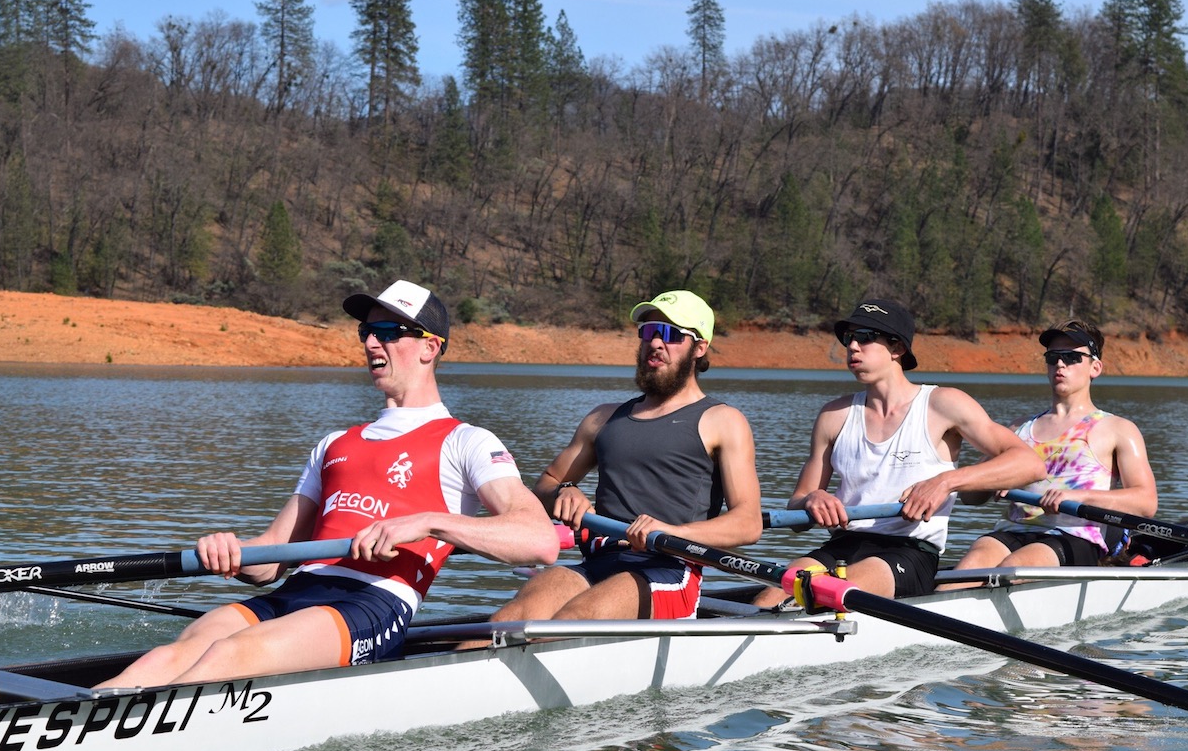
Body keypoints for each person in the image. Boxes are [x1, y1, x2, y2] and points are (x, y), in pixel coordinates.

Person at [98, 280, 555, 688]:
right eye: (366, 332)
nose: (372, 342)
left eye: (390, 332)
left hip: (375, 601)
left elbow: (537, 542)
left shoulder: (466, 442)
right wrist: (231, 552)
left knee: (231, 653)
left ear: (429, 347)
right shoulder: (334, 443)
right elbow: (271, 557)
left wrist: (428, 523)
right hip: (298, 590)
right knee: (169, 656)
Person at [487, 290, 763, 622]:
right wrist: (564, 492)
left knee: (574, 619)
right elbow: (545, 485)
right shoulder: (602, 418)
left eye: (672, 334)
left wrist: (672, 532)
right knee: (508, 619)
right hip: (597, 562)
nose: (656, 342)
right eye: (649, 332)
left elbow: (748, 523)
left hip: (669, 569)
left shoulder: (723, 421)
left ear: (699, 348)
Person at [751, 299, 1045, 607]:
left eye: (864, 337)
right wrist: (812, 499)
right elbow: (797, 511)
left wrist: (946, 482)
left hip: (909, 552)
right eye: (847, 337)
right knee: (769, 598)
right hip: (841, 545)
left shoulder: (943, 405)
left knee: (824, 593)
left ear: (897, 349)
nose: (852, 346)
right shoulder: (833, 415)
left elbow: (1030, 463)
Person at [943, 319, 1158, 586]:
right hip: (1013, 531)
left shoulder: (1118, 429)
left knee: (1011, 570)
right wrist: (992, 478)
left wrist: (1074, 496)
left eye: (1072, 357)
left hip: (1074, 537)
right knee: (965, 572)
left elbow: (1146, 502)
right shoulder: (1018, 429)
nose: (1060, 364)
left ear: (1095, 367)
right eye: (1053, 357)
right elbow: (970, 498)